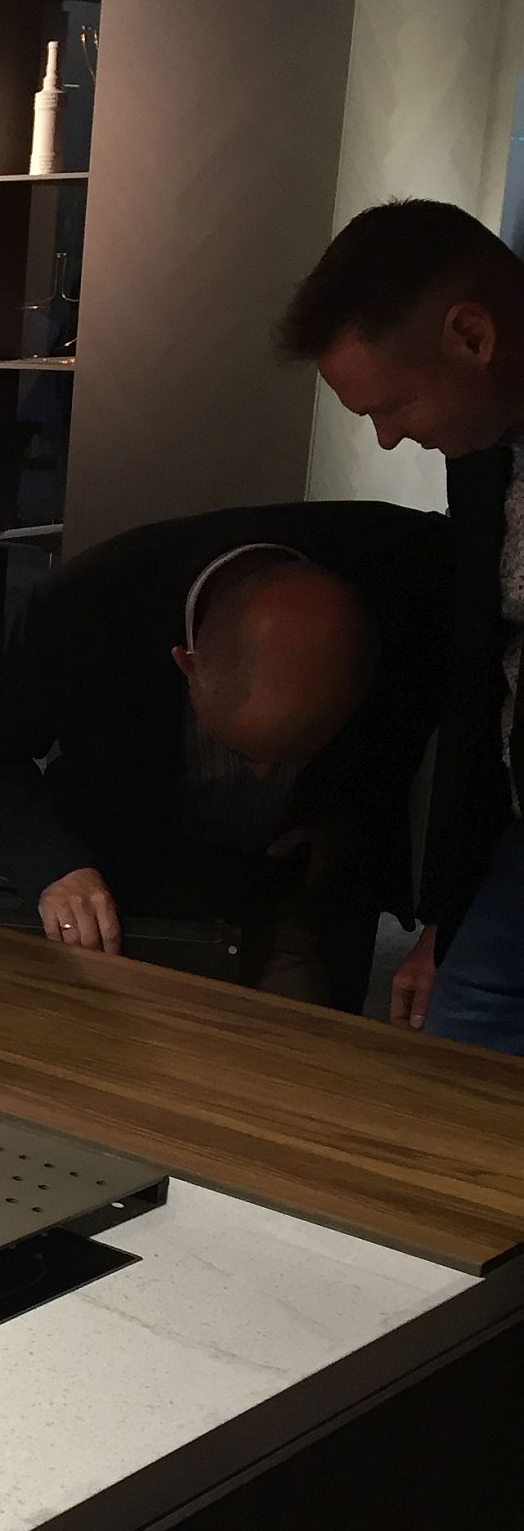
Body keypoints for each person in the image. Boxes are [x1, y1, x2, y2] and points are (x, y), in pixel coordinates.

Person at [0, 508, 455, 1010]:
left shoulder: (408, 584)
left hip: (297, 891)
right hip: (125, 878)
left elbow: (440, 732)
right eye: (241, 751)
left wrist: (341, 824)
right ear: (186, 664)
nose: (263, 776)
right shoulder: (82, 607)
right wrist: (55, 867)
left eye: (295, 754)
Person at [279, 200, 524, 1050]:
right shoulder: (485, 447)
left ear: (471, 336)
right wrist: (444, 923)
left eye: (396, 406)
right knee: (459, 1046)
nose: (387, 441)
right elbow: (478, 675)